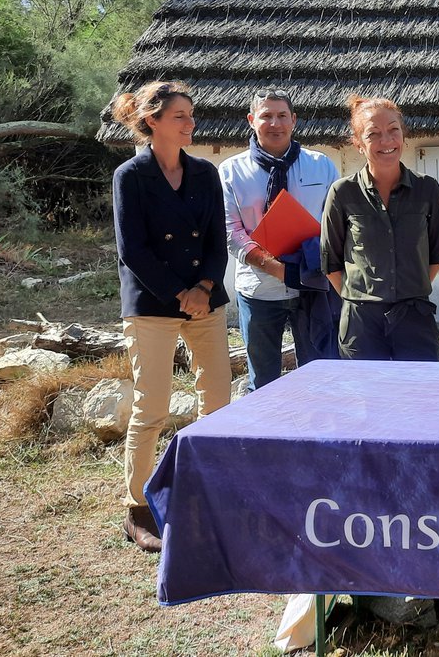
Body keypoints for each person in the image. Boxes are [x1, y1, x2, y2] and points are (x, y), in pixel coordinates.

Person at [111, 81, 231, 552]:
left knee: (217, 401)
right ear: (152, 120)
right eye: (180, 115)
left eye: (191, 114)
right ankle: (138, 509)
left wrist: (202, 289)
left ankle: (204, 492)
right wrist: (179, 292)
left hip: (204, 301)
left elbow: (216, 242)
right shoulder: (130, 176)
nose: (190, 123)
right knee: (152, 408)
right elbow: (132, 250)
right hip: (153, 305)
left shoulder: (205, 173)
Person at [219, 89, 341, 390]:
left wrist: (314, 263)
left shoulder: (321, 165)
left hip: (313, 288)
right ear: (251, 120)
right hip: (258, 290)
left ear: (294, 120)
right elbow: (229, 230)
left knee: (321, 375)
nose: (275, 123)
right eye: (266, 116)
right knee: (262, 382)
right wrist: (273, 266)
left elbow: (338, 222)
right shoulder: (230, 171)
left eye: (282, 116)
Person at [320, 96, 439, 360]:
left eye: (393, 130)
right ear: (358, 144)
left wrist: (406, 290)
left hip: (415, 317)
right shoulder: (343, 192)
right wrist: (365, 296)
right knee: (366, 399)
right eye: (373, 134)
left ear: (403, 135)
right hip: (361, 324)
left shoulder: (427, 189)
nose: (386, 141)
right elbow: (330, 262)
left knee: (422, 395)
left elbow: (436, 256)